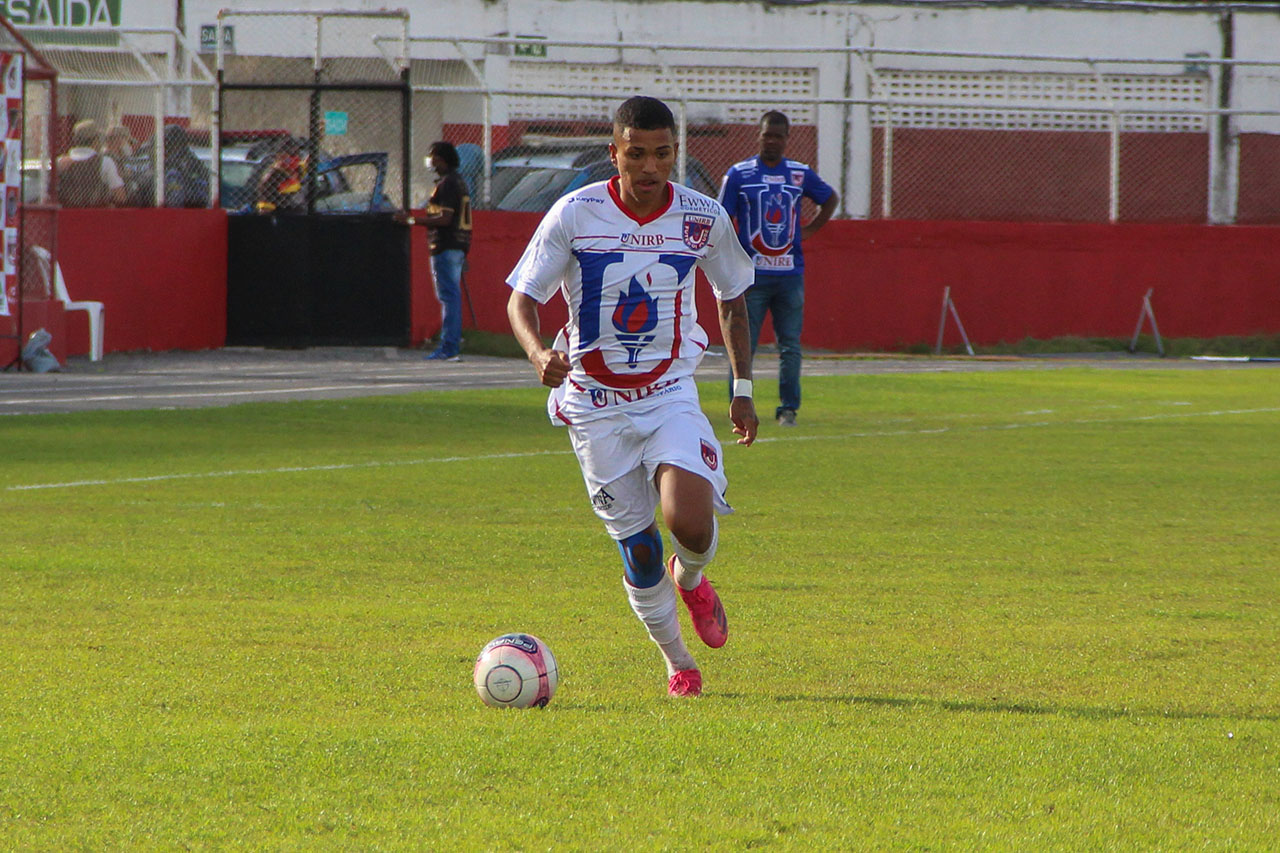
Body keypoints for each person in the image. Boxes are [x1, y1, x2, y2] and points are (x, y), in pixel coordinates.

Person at [505, 95, 759, 697]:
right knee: (640, 552)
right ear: (613, 152)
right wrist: (541, 354)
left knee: (688, 522)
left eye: (662, 154)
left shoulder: (702, 216)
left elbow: (732, 299)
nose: (650, 167)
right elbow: (522, 299)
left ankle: (693, 578)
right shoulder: (574, 214)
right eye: (637, 154)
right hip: (594, 404)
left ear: (676, 153)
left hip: (669, 391)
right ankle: (678, 664)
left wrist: (742, 388)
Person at [719, 110, 838, 427]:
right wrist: (733, 251)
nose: (771, 140)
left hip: (790, 275)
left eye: (778, 135)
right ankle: (738, 404)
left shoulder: (799, 174)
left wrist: (809, 230)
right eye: (766, 134)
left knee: (790, 345)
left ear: (787, 139)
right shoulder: (740, 174)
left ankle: (788, 409)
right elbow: (721, 217)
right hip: (751, 276)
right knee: (743, 344)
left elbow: (829, 198)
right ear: (758, 136)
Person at [407, 141, 471, 361]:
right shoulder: (459, 182)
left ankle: (449, 346)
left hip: (447, 245)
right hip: (457, 245)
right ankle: (451, 343)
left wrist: (412, 220)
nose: (430, 161)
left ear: (441, 159)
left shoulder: (448, 184)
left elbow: (444, 219)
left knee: (449, 296)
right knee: (450, 296)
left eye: (433, 156)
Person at [56, 119, 127, 207]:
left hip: (66, 216)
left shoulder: (59, 162)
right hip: (96, 216)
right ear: (95, 141)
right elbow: (120, 197)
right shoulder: (105, 162)